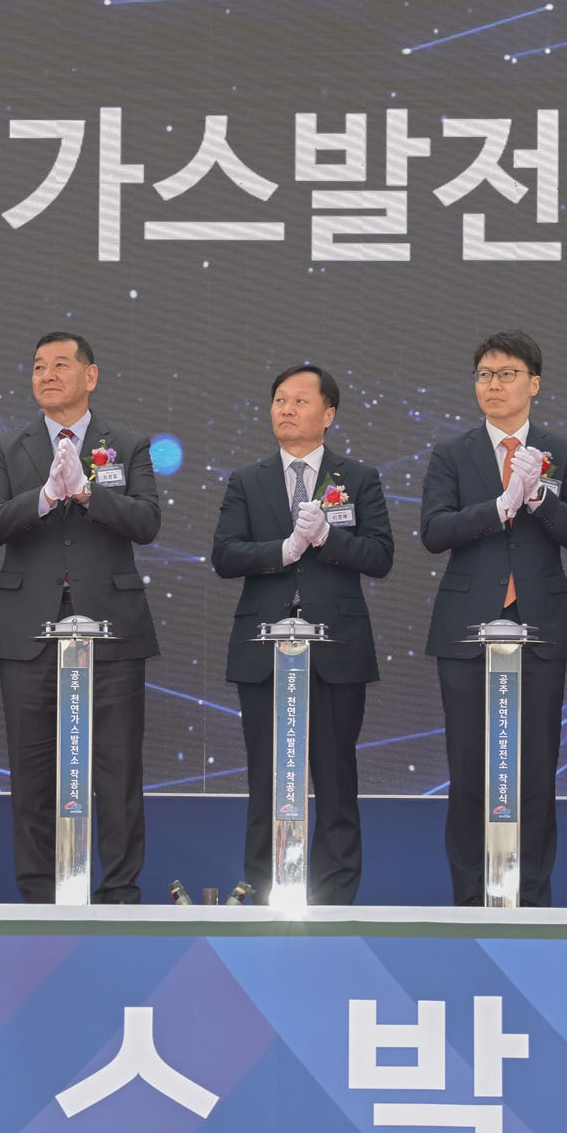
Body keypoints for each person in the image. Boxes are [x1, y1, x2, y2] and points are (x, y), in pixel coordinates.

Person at [0, 332, 160, 903]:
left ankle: (119, 893)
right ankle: (39, 898)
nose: (47, 375)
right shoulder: (8, 446)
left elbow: (146, 522)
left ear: (90, 375)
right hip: (26, 629)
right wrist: (46, 497)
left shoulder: (126, 445)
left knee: (117, 770)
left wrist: (87, 493)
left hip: (111, 628)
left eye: (60, 364)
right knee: (32, 772)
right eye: (38, 366)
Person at [419, 329, 567, 907]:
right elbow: (434, 531)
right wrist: (499, 507)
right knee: (469, 771)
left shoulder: (562, 453)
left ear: (534, 383)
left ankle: (533, 902)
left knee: (536, 773)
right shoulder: (452, 453)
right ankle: (471, 903)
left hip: (540, 628)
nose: (493, 385)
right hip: (466, 631)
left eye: (506, 374)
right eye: (484, 375)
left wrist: (538, 498)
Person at [211, 364, 393, 904]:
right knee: (267, 781)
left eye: (299, 401)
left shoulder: (357, 478)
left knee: (336, 780)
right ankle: (264, 894)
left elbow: (380, 555)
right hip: (263, 649)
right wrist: (284, 550)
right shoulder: (247, 480)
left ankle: (334, 900)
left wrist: (327, 539)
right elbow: (225, 555)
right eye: (279, 400)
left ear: (328, 414)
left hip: (336, 649)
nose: (286, 410)